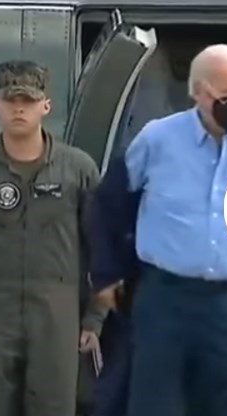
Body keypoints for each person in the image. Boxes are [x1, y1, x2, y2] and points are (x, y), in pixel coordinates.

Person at [121, 44, 227, 416]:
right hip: (165, 297)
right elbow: (119, 202)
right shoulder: (156, 140)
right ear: (199, 91)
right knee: (154, 404)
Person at [0, 60, 104, 416]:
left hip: (56, 317)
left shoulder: (77, 170)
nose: (19, 109)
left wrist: (94, 318)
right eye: (11, 100)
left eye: (28, 100)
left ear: (46, 106)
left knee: (53, 407)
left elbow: (101, 248)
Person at [87, 154, 142, 416]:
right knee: (120, 387)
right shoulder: (154, 145)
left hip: (217, 293)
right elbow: (103, 211)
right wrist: (106, 276)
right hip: (144, 287)